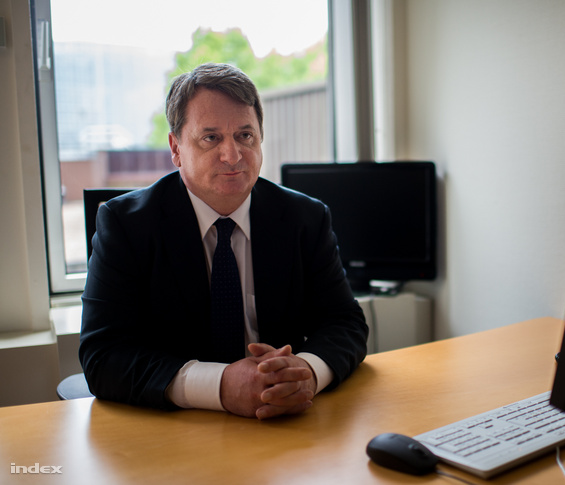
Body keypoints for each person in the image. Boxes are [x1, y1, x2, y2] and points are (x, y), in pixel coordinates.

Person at [79, 63, 369, 419]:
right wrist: (219, 385)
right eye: (211, 138)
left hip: (286, 424)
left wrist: (305, 373)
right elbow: (103, 356)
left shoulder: (304, 218)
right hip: (176, 432)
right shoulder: (126, 225)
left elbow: (345, 323)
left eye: (245, 136)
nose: (232, 156)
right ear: (176, 148)